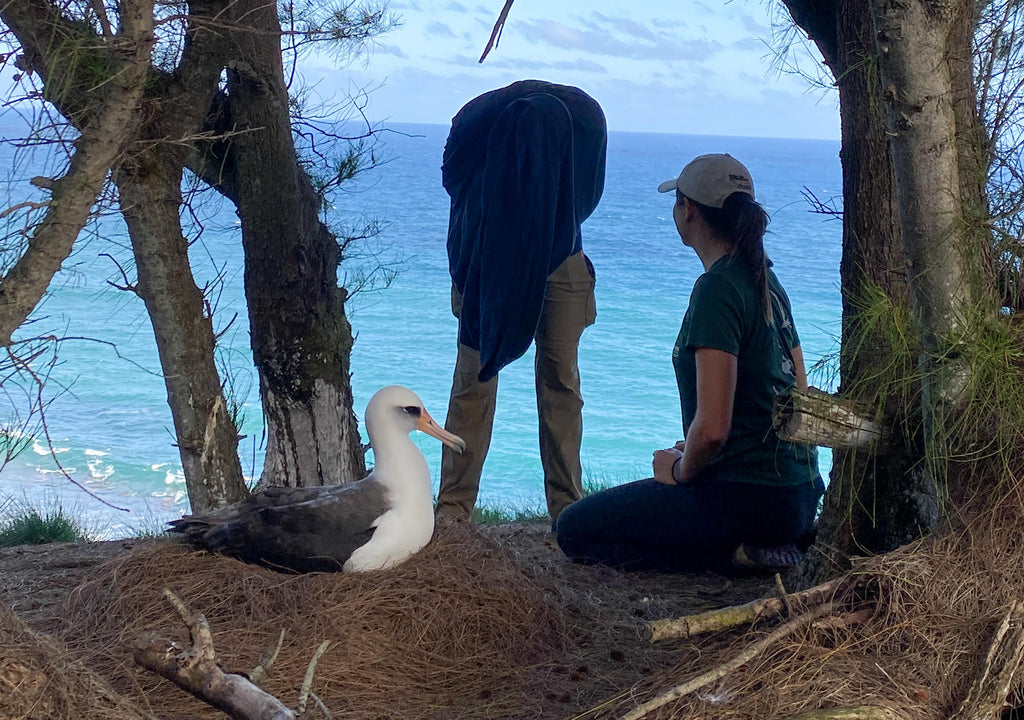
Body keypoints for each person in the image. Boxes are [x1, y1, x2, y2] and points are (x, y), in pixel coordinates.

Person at [555, 153, 824, 573]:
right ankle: (767, 543)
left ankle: (732, 555)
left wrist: (680, 469)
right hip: (799, 493)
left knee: (575, 530)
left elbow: (714, 430)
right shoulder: (766, 279)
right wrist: (700, 451)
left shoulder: (717, 289)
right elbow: (798, 394)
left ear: (689, 210)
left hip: (747, 497)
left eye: (676, 202)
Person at [435, 80, 607, 524]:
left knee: (561, 382)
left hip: (561, 255)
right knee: (474, 379)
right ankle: (453, 513)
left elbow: (581, 200)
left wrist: (541, 231)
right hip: (486, 255)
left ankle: (568, 509)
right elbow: (456, 181)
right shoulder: (478, 130)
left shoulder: (583, 123)